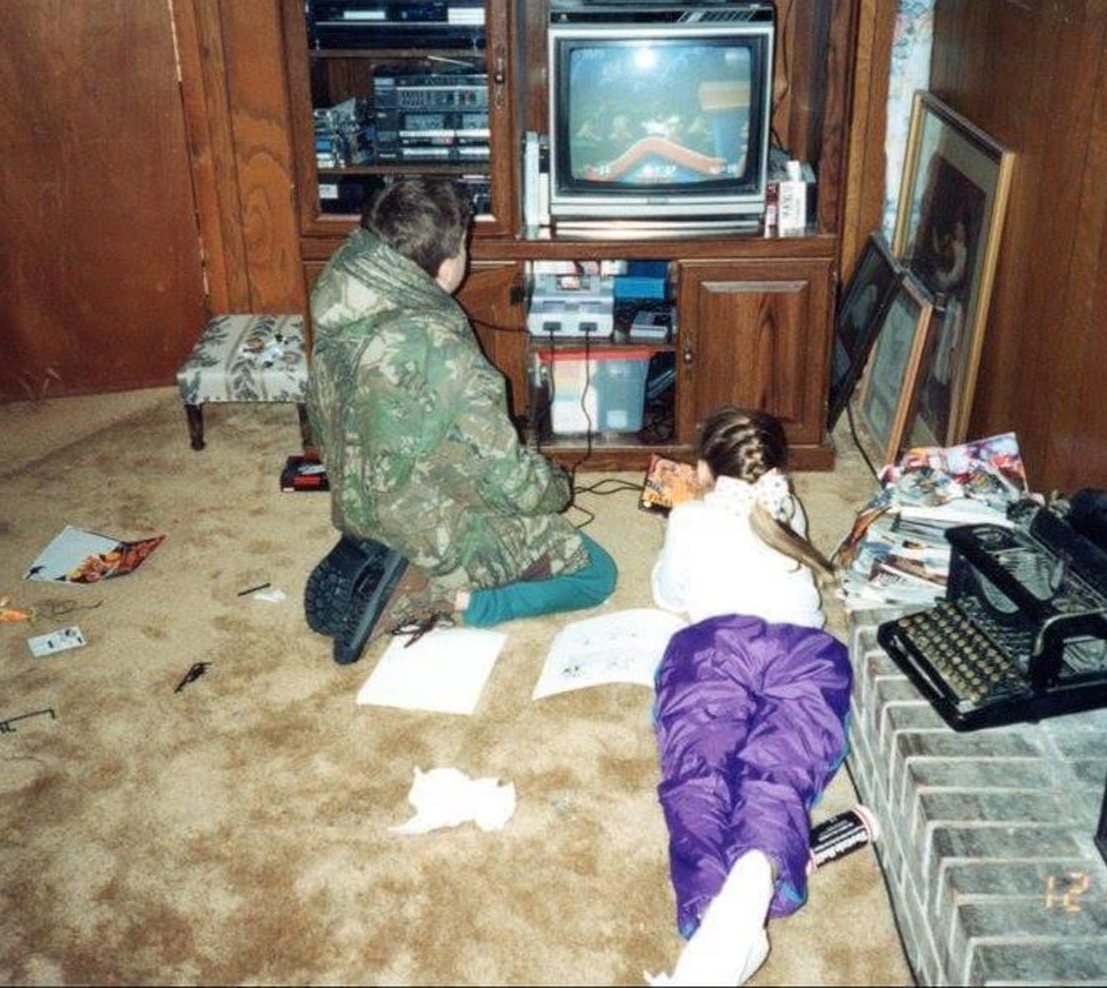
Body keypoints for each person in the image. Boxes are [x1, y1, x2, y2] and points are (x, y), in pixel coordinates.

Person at [304, 176, 617, 664]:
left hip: (359, 503)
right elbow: (510, 485)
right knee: (597, 571)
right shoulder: (442, 350)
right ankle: (443, 598)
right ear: (451, 260)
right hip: (428, 524)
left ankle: (384, 560)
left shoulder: (341, 301)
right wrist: (556, 488)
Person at [646, 407, 864, 987]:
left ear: (700, 471)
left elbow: (669, 596)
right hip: (807, 656)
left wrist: (681, 516)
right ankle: (756, 868)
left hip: (717, 647)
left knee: (700, 766)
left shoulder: (689, 519)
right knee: (780, 769)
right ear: (775, 472)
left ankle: (713, 906)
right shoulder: (786, 505)